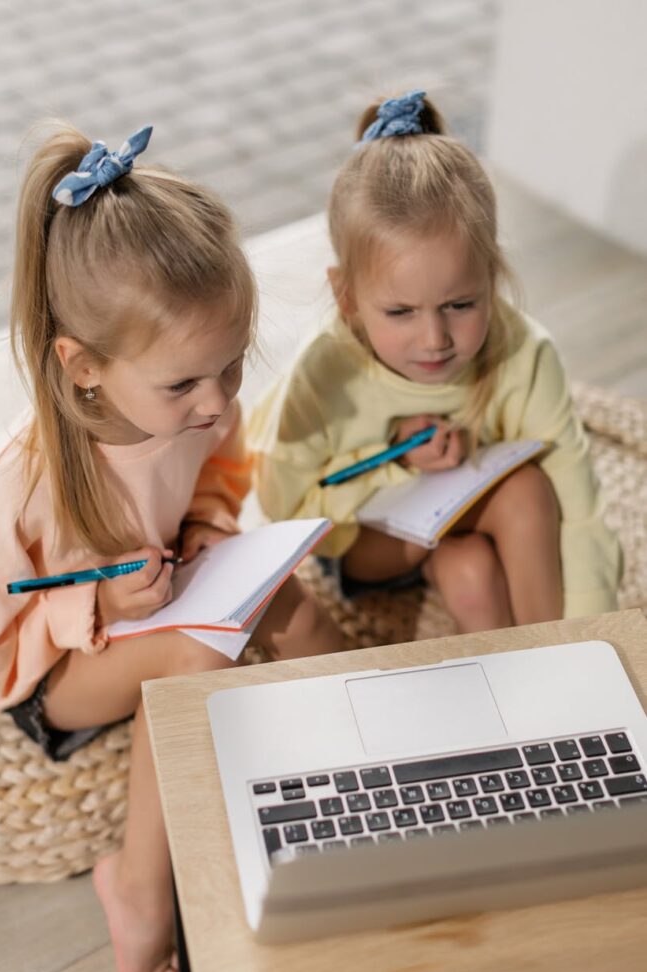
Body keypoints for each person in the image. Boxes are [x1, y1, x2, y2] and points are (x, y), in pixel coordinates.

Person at [0, 124, 348, 972]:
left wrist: (209, 525)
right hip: (57, 679)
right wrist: (97, 607)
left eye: (231, 367)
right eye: (184, 385)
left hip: (167, 594)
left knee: (291, 603)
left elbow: (218, 474)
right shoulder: (19, 484)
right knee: (196, 654)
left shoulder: (202, 405)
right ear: (83, 368)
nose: (216, 402)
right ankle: (137, 887)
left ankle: (359, 759)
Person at [249, 90, 622, 630]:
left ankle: (544, 664)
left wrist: (598, 622)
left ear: (491, 277)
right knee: (525, 492)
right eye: (400, 312)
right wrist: (394, 460)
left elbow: (581, 508)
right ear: (346, 296)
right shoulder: (325, 374)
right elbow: (285, 508)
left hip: (462, 531)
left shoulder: (524, 352)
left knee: (471, 569)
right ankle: (566, 650)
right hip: (364, 543)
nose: (434, 340)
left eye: (460, 305)